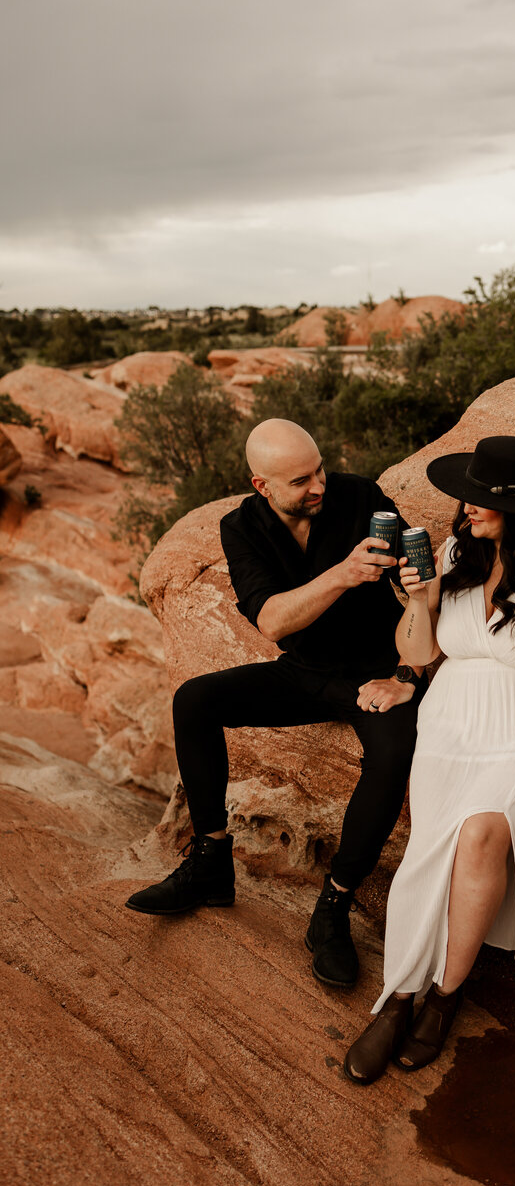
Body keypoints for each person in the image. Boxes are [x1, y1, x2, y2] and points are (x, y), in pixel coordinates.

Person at [126, 419, 426, 988]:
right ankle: (211, 862)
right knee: (195, 700)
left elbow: (421, 592)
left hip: (375, 675)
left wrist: (409, 668)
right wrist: (342, 574)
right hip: (304, 672)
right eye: (300, 481)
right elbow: (270, 621)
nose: (319, 486)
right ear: (262, 486)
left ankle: (334, 903)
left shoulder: (361, 496)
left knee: (394, 755)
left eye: (319, 470)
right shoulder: (241, 526)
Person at [344, 435, 515, 1084]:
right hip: (453, 722)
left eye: (480, 502)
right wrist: (421, 600)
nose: (465, 511)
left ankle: (443, 995)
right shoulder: (456, 553)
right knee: (428, 851)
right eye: (466, 500)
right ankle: (398, 994)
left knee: (481, 831)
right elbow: (421, 653)